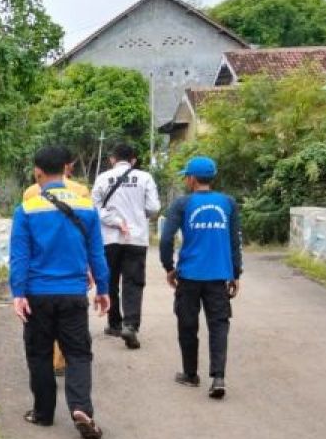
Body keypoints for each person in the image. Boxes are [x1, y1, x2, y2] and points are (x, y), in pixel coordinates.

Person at [10, 147, 110, 439]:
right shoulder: (85, 206)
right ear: (66, 169)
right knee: (78, 353)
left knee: (39, 353)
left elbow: (19, 257)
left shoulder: (26, 209)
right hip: (73, 294)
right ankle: (81, 408)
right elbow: (97, 253)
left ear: (37, 171)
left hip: (37, 294)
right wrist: (103, 289)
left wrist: (18, 293)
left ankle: (43, 413)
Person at [159, 156, 242, 400]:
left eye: (187, 176)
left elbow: (166, 239)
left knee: (187, 324)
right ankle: (218, 377)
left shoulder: (183, 204)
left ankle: (190, 374)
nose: (186, 179)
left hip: (189, 276)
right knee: (219, 325)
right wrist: (235, 273)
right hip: (218, 276)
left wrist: (169, 267)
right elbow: (234, 241)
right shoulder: (228, 203)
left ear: (192, 179)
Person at [22, 147, 91, 374]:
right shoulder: (81, 192)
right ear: (66, 166)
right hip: (72, 272)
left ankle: (48, 364)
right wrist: (91, 269)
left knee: (42, 326)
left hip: (39, 275)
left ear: (38, 169)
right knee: (71, 325)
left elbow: (23, 245)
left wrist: (19, 288)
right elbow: (88, 235)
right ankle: (62, 362)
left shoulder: (31, 193)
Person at [91, 143, 161, 350]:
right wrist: (137, 214)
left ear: (112, 159)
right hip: (135, 238)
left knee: (110, 281)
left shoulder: (102, 178)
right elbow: (154, 207)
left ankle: (114, 324)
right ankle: (130, 325)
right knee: (133, 282)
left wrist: (113, 220)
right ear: (133, 160)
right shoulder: (145, 177)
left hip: (109, 239)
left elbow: (94, 208)